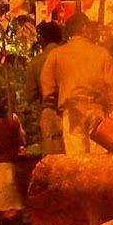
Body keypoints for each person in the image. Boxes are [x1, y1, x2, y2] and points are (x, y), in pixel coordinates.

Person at [40, 13, 113, 156]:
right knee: (99, 159)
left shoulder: (57, 54)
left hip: (72, 112)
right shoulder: (102, 53)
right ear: (84, 28)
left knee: (76, 159)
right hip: (98, 111)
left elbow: (47, 85)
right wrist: (110, 110)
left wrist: (50, 108)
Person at [25, 21, 65, 154]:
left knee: (53, 163)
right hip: (73, 110)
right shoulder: (71, 55)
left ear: (42, 39)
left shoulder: (36, 62)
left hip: (50, 112)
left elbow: (29, 95)